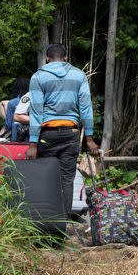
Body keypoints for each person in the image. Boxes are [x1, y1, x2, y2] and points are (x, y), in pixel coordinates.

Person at [25, 43, 99, 217]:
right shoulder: (78, 75)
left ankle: (47, 223)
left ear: (47, 59)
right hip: (71, 133)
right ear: (66, 58)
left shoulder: (38, 77)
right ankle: (61, 226)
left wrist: (33, 144)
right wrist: (89, 138)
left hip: (47, 135)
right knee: (67, 180)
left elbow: (36, 111)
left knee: (47, 178)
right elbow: (86, 108)